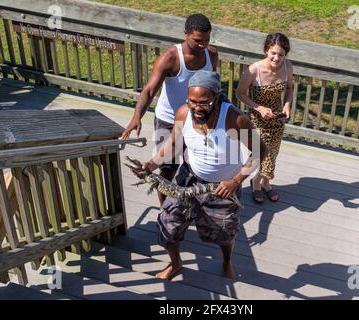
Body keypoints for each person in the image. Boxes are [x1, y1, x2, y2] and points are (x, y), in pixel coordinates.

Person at [133, 71, 267, 280]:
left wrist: (236, 181)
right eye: (192, 101)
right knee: (168, 223)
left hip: (223, 186)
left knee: (224, 233)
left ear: (216, 97)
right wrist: (150, 164)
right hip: (188, 179)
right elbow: (174, 144)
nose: (196, 107)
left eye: (203, 103)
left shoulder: (234, 119)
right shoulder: (183, 113)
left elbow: (260, 151)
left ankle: (226, 261)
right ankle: (176, 264)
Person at [120, 13, 218, 207]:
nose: (203, 45)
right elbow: (149, 90)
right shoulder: (171, 58)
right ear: (186, 34)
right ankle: (165, 208)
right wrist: (136, 116)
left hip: (197, 119)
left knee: (197, 165)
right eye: (198, 40)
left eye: (207, 40)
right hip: (169, 119)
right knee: (167, 167)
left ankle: (194, 203)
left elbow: (212, 86)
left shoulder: (211, 55)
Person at [236, 32, 293, 204]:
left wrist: (287, 105)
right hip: (258, 118)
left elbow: (290, 88)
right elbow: (240, 94)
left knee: (273, 152)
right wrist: (259, 108)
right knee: (264, 153)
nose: (276, 58)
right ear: (266, 50)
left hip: (277, 118)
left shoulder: (287, 67)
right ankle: (256, 184)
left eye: (281, 54)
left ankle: (266, 183)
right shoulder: (254, 70)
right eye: (273, 53)